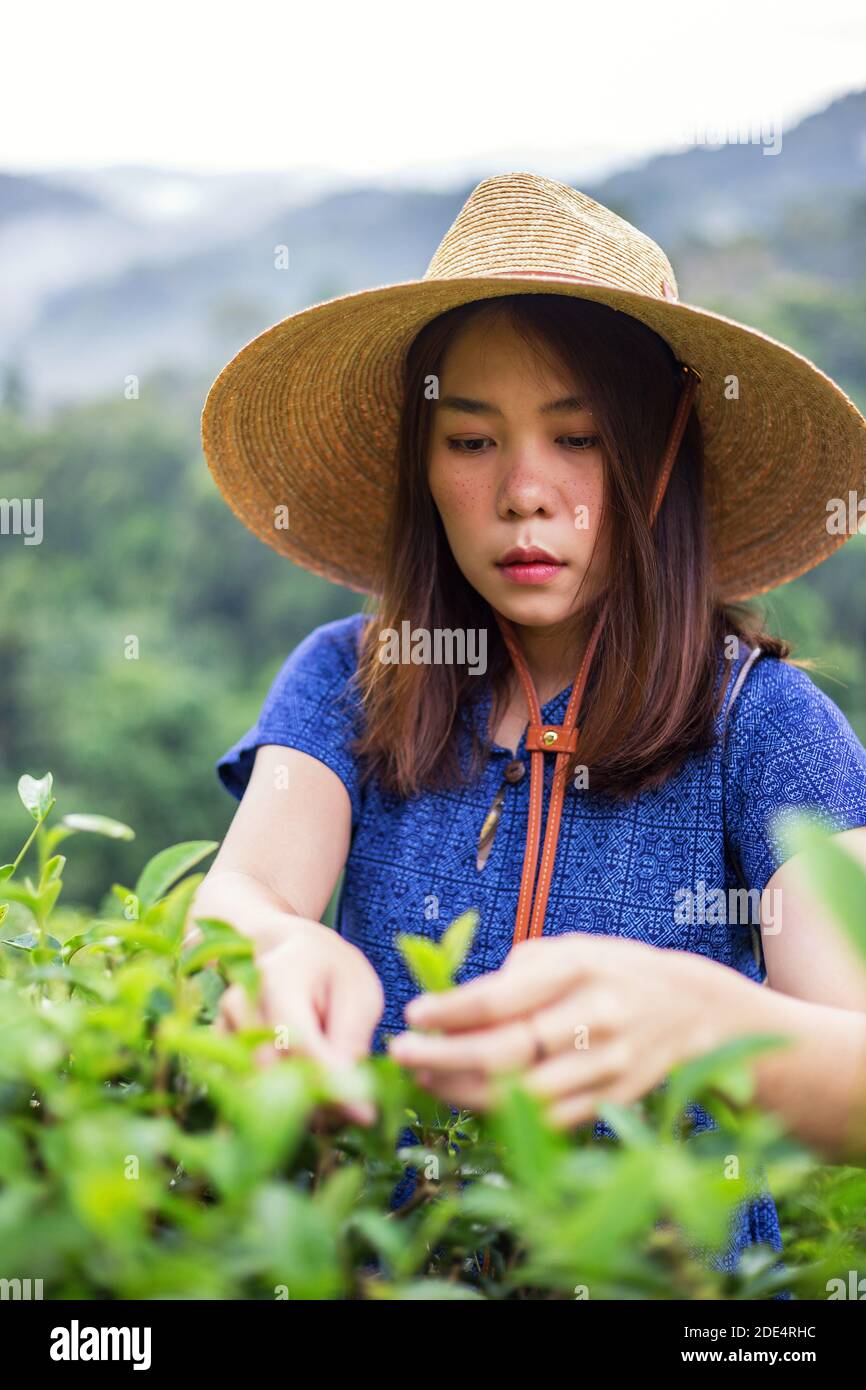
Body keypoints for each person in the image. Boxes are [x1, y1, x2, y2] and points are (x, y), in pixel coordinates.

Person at [196, 172, 866, 1284]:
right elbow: (240, 895)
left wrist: (705, 1024)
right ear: (423, 462)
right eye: (470, 442)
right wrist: (281, 950)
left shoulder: (765, 728)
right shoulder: (349, 679)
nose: (522, 492)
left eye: (581, 439)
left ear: (659, 463)